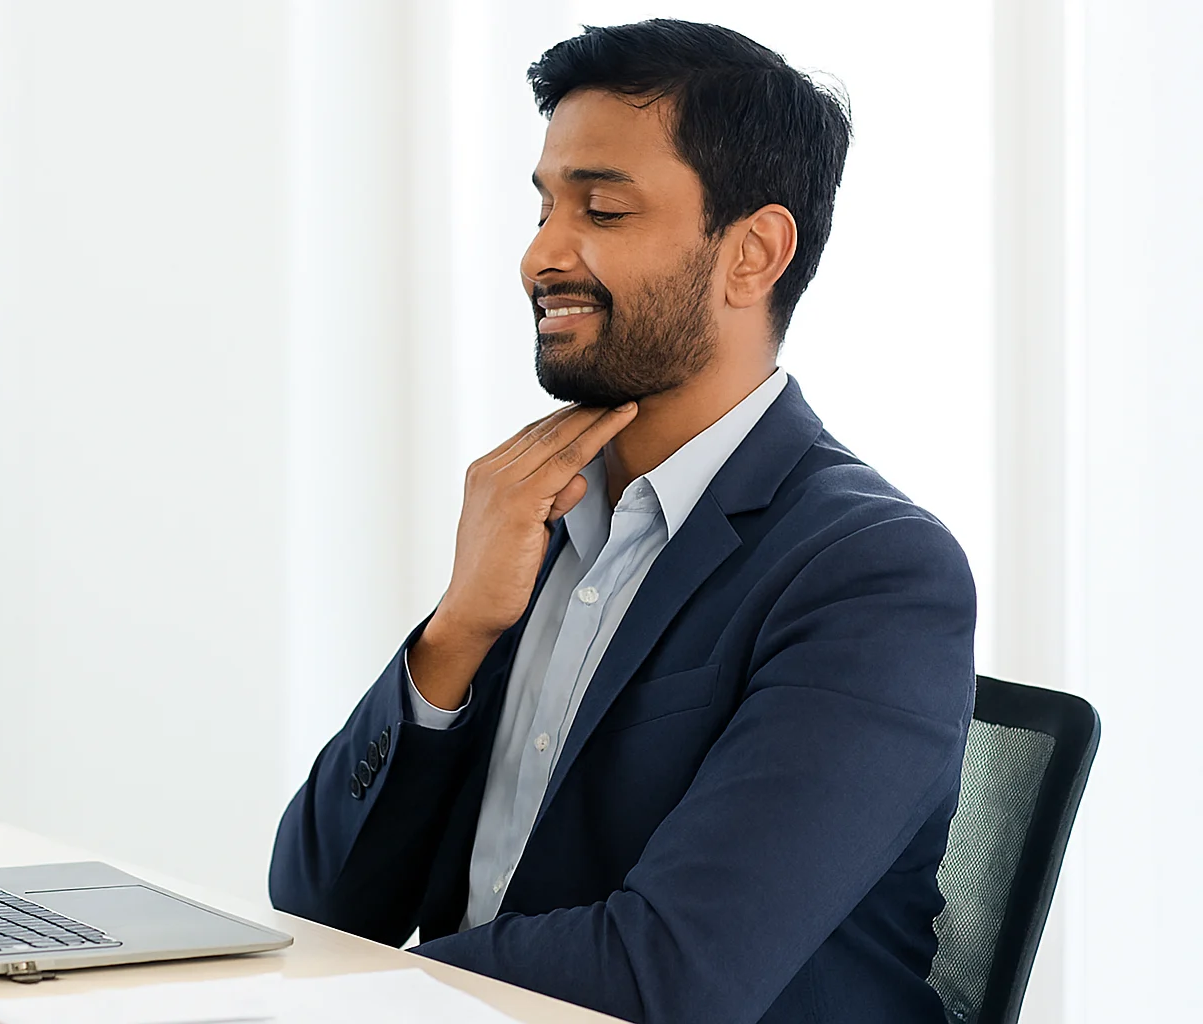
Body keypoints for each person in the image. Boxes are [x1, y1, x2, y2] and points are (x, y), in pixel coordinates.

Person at [269, 19, 975, 1024]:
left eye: (600, 209)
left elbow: (672, 974)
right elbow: (319, 902)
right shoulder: (537, 516)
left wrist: (343, 1001)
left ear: (753, 254)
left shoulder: (875, 573)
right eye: (546, 206)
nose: (541, 255)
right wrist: (458, 629)